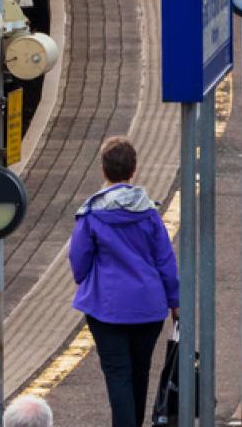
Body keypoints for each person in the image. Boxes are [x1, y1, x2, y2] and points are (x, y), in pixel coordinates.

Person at [70, 136, 178, 427]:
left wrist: (88, 278)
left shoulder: (92, 214)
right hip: (148, 307)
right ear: (134, 170)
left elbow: (79, 263)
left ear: (104, 170)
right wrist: (174, 301)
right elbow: (165, 260)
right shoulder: (150, 214)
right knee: (140, 372)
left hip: (107, 308)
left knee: (118, 373)